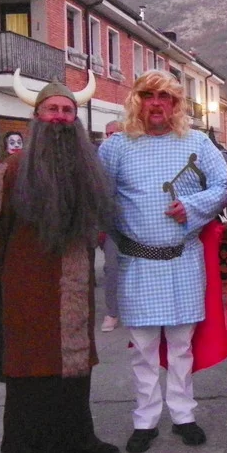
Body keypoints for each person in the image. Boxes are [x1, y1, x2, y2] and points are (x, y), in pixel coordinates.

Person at [0, 71, 120, 453]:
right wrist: (13, 278)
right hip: (28, 290)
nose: (59, 117)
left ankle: (79, 441)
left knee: (76, 369)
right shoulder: (10, 170)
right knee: (30, 374)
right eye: (52, 110)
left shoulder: (87, 170)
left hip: (76, 288)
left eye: (67, 111)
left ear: (75, 119)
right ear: (36, 117)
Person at [99, 71, 227, 453]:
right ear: (137, 101)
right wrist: (123, 236)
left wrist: (190, 206)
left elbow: (223, 187)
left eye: (165, 97)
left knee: (181, 346)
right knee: (142, 349)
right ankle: (145, 419)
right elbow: (103, 199)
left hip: (183, 260)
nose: (156, 103)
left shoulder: (197, 143)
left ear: (175, 104)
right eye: (148, 95)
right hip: (137, 262)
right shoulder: (116, 147)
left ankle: (183, 415)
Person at [100, 120, 124, 332]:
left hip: (136, 224)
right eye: (108, 134)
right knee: (112, 268)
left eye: (115, 133)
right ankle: (112, 313)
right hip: (112, 225)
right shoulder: (99, 159)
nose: (111, 138)